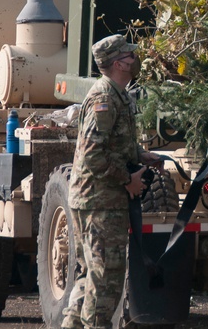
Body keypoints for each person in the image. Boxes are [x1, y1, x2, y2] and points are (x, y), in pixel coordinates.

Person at [63, 34, 163, 329]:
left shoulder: (117, 94)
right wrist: (127, 181)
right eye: (131, 56)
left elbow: (112, 144)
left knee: (90, 276)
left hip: (98, 199)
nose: (136, 60)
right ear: (119, 63)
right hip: (100, 201)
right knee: (106, 279)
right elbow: (93, 155)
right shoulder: (105, 98)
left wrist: (141, 155)